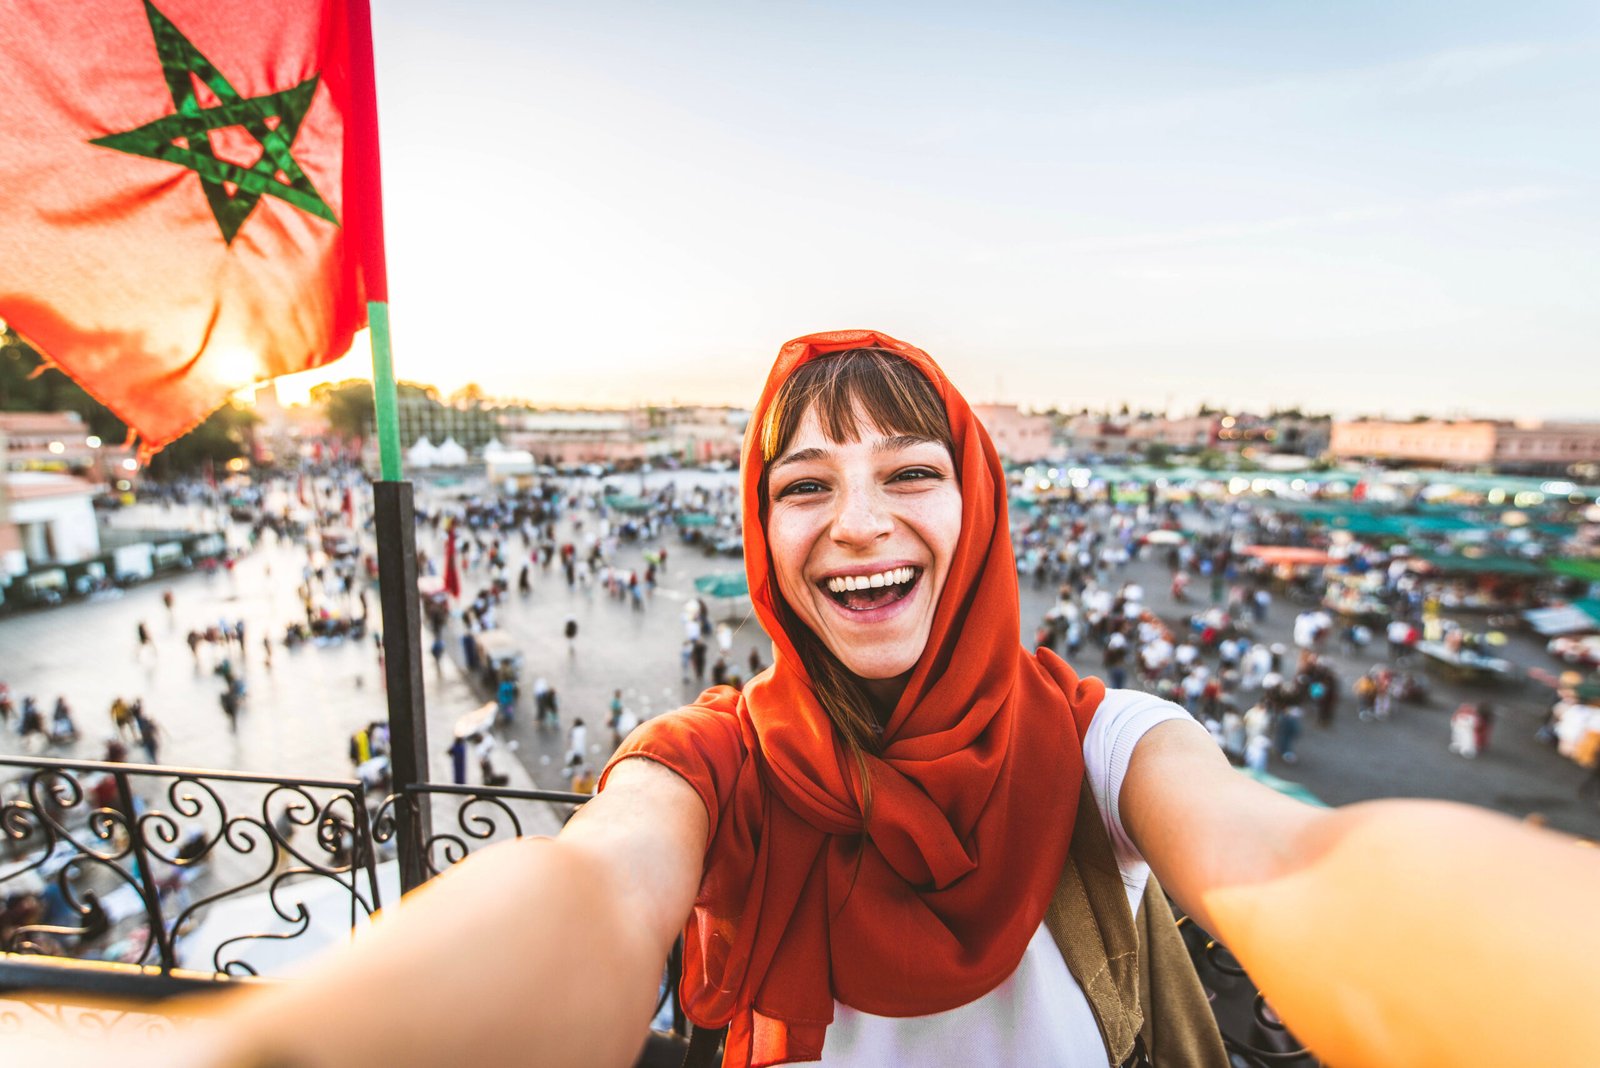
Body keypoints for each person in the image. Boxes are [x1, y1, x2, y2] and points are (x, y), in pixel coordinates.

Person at [88, 333, 1600, 1068]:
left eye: (910, 475)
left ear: (980, 508)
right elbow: (594, 897)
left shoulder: (1101, 741)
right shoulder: (711, 764)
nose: (859, 521)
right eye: (804, 486)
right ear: (764, 538)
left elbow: (1289, 863)